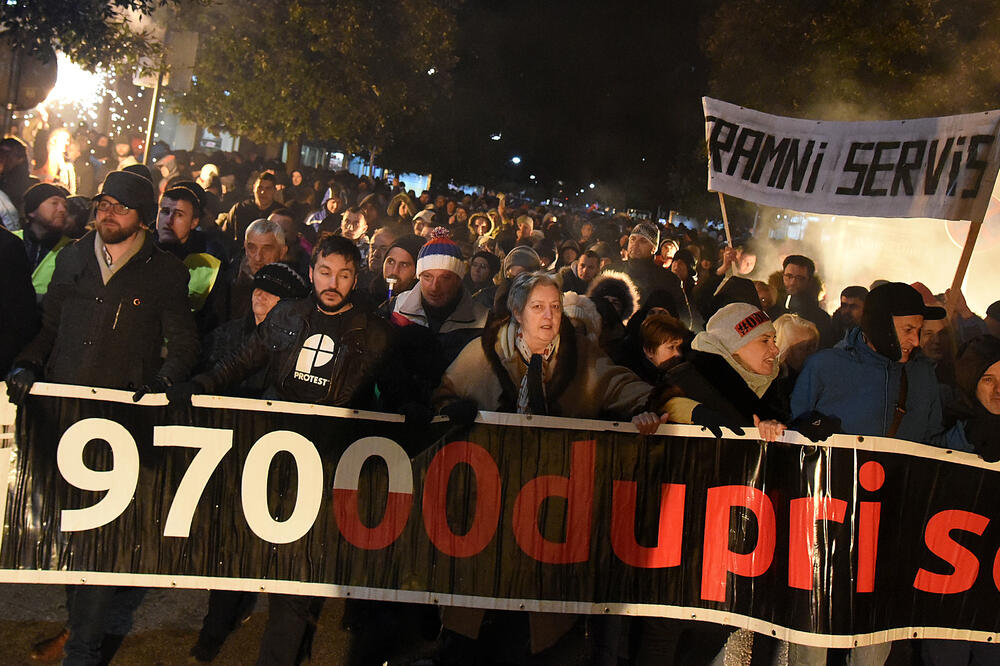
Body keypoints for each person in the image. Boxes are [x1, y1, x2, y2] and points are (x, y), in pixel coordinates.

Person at [171, 233, 394, 666]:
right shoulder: (287, 315)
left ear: (355, 279)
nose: (333, 282)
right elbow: (242, 360)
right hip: (271, 454)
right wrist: (201, 384)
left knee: (295, 572)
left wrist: (424, 406)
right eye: (325, 272)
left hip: (324, 464)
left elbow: (394, 394)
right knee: (242, 549)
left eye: (344, 275)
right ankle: (215, 631)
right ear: (311, 273)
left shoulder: (374, 334)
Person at [8, 169, 199, 665]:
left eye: (120, 207)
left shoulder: (165, 273)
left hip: (119, 426)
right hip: (62, 416)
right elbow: (50, 327)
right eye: (103, 204)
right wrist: (28, 362)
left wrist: (159, 383)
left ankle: (85, 649)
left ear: (140, 219)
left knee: (100, 541)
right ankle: (77, 631)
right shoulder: (72, 256)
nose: (107, 213)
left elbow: (184, 346)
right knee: (68, 534)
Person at [432, 271, 663, 664]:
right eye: (538, 307)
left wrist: (648, 412)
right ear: (518, 312)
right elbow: (442, 401)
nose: (548, 316)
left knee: (533, 629)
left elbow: (635, 393)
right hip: (487, 508)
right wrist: (452, 415)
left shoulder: (584, 357)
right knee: (474, 625)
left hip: (550, 511)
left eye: (555, 307)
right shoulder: (481, 355)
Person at [788, 282, 979, 666]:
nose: (915, 340)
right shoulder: (825, 367)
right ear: (879, 324)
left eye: (919, 330)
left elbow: (930, 446)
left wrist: (972, 436)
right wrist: (806, 430)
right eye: (908, 329)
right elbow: (791, 443)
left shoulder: (924, 377)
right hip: (826, 522)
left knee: (874, 637)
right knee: (813, 633)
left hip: (891, 523)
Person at [212, 218, 289, 325]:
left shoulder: (293, 290)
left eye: (267, 249)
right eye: (252, 248)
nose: (258, 257)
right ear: (245, 247)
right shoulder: (226, 284)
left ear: (282, 252)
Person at [14, 183, 73, 301]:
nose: (62, 210)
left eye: (65, 206)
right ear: (32, 211)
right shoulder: (11, 240)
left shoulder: (72, 249)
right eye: (54, 203)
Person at [766, 254, 834, 346]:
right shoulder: (768, 306)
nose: (793, 282)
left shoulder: (820, 318)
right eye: (789, 276)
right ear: (782, 276)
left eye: (800, 278)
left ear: (809, 281)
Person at [222, 172, 281, 246]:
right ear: (254, 188)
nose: (263, 192)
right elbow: (225, 235)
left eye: (268, 189)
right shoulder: (240, 209)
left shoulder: (280, 214)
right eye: (260, 188)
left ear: (274, 190)